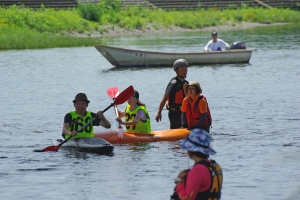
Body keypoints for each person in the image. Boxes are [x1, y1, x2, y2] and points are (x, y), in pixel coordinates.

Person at [171, 129, 223, 200]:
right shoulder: (215, 166)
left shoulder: (197, 170)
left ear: (191, 150)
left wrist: (179, 181)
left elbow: (186, 198)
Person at [156, 59, 189, 129]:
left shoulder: (186, 83)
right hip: (175, 113)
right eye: (182, 68)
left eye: (186, 68)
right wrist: (159, 112)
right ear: (176, 70)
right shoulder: (173, 83)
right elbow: (165, 98)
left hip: (184, 113)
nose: (185, 70)